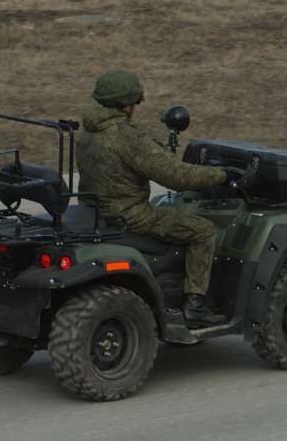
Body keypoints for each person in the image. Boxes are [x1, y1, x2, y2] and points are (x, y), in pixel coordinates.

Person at [76, 72, 231, 325]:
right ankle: (196, 307)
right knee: (203, 232)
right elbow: (177, 178)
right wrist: (221, 175)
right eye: (135, 102)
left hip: (96, 210)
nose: (135, 108)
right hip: (131, 215)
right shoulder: (125, 136)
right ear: (127, 103)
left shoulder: (88, 131)